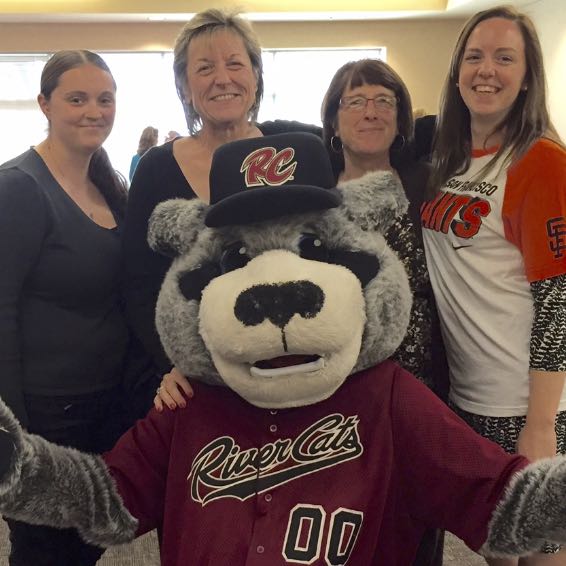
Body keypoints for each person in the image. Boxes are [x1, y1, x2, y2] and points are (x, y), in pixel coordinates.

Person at [421, 6, 566, 566]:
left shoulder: (540, 161)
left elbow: (558, 305)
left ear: (527, 75)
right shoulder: (449, 159)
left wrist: (541, 425)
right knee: (497, 550)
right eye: (475, 56)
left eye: (506, 58)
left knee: (542, 554)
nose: (487, 70)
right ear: (457, 69)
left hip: (524, 401)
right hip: (467, 399)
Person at [122, 8, 321, 414]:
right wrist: (172, 361)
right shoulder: (156, 168)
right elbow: (138, 282)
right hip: (197, 378)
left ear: (255, 75)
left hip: (290, 363)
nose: (223, 79)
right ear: (184, 84)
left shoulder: (293, 147)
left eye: (235, 63)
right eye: (205, 67)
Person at [0, 50, 129, 566]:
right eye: (77, 99)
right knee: (44, 553)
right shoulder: (19, 187)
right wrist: (15, 436)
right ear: (45, 104)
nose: (93, 111)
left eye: (105, 99)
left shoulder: (106, 182)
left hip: (104, 404)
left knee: (86, 546)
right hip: (46, 414)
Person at [320, 58, 448, 566]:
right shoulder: (315, 196)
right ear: (333, 120)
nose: (370, 112)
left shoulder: (430, 186)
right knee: (343, 524)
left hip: (423, 386)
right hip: (337, 392)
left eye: (384, 101)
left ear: (401, 120)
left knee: (417, 521)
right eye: (356, 101)